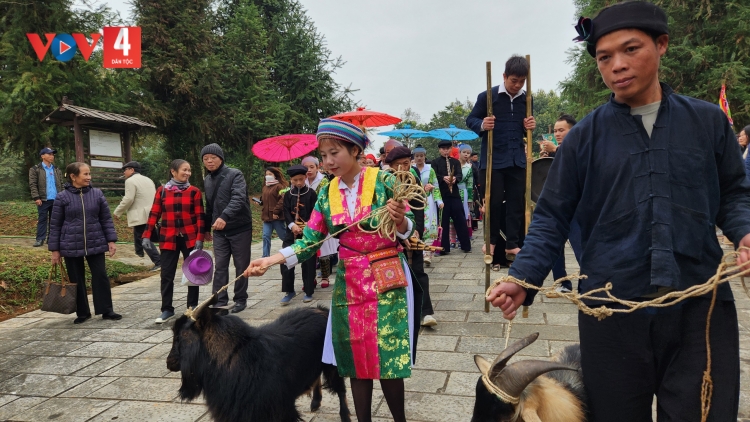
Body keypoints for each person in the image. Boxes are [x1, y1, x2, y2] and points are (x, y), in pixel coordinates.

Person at [487, 3, 750, 420]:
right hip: (610, 312)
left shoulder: (707, 123)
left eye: (630, 50)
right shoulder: (583, 139)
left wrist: (745, 232)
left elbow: (735, 193)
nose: (617, 66)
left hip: (699, 309)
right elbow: (551, 216)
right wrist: (523, 276)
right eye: (604, 57)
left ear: (661, 45)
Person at [245, 118, 414, 422]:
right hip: (349, 280)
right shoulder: (326, 193)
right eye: (323, 156)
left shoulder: (385, 181)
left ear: (355, 149)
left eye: (334, 153)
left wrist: (400, 220)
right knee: (354, 358)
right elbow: (310, 241)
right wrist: (271, 260)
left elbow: (409, 230)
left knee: (387, 355)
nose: (328, 161)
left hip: (385, 276)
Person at [466, 55, 536, 263]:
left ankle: (513, 243)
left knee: (517, 202)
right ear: (504, 76)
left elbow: (524, 128)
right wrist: (483, 124)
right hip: (493, 160)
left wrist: (530, 125)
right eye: (514, 80)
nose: (517, 85)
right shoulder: (488, 97)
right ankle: (491, 241)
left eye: (522, 81)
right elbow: (471, 119)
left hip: (517, 160)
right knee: (494, 203)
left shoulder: (527, 99)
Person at [48, 162, 120, 324]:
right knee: (76, 278)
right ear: (73, 177)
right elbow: (55, 225)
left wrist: (111, 240)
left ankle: (106, 310)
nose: (89, 177)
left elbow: (106, 219)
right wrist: (55, 250)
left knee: (100, 275)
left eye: (89, 174)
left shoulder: (97, 194)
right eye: (85, 174)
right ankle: (83, 312)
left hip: (96, 242)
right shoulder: (62, 197)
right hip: (70, 245)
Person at [142, 159, 205, 323]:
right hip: (168, 238)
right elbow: (154, 213)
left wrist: (200, 238)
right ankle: (167, 309)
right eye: (184, 170)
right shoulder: (162, 191)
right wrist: (146, 235)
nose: (187, 173)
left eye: (189, 170)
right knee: (167, 274)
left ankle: (192, 309)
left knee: (192, 275)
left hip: (189, 238)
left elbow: (200, 216)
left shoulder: (194, 191)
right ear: (173, 171)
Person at [385, 146, 437, 327]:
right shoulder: (383, 184)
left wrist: (415, 232)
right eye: (397, 165)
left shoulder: (413, 182)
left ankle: (426, 312)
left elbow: (419, 210)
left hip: (411, 234)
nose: (402, 169)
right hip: (390, 238)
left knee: (418, 272)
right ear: (390, 166)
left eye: (406, 164)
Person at [201, 143, 252, 315]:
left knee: (241, 265)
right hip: (220, 232)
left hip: (240, 228)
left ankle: (240, 299)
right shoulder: (207, 180)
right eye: (206, 159)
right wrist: (206, 228)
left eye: (213, 158)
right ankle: (219, 301)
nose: (209, 161)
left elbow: (239, 198)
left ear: (221, 158)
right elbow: (209, 206)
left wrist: (225, 216)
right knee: (220, 266)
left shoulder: (234, 174)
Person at [538, 114, 579, 292]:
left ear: (573, 130)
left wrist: (556, 150)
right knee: (555, 246)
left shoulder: (579, 146)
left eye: (561, 130)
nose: (557, 134)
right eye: (555, 131)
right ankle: (562, 282)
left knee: (581, 246)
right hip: (557, 208)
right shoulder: (557, 150)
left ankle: (593, 282)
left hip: (577, 208)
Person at [280, 165, 318, 304]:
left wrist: (309, 225)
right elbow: (285, 212)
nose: (298, 183)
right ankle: (289, 290)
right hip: (291, 233)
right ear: (290, 180)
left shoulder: (312, 194)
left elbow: (316, 212)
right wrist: (292, 225)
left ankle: (308, 291)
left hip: (308, 234)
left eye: (301, 179)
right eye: (295, 180)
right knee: (285, 260)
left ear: (306, 177)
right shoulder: (288, 195)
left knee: (308, 262)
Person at [113, 161, 161, 271]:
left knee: (144, 238)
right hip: (152, 212)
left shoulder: (130, 181)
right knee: (146, 235)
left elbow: (129, 199)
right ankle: (139, 252)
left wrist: (117, 212)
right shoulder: (148, 179)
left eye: (125, 170)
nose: (124, 172)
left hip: (141, 214)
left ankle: (158, 261)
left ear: (132, 170)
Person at [303, 156, 337, 288]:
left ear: (318, 167)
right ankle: (310, 278)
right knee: (309, 251)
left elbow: (322, 201)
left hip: (320, 217)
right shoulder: (300, 181)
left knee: (324, 250)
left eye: (312, 167)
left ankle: (325, 277)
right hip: (305, 219)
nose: (309, 170)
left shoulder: (323, 182)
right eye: (306, 168)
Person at [432, 140, 471, 254]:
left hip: (454, 195)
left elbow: (459, 174)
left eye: (448, 148)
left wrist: (455, 179)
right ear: (439, 150)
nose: (445, 150)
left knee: (460, 220)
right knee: (443, 222)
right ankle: (444, 248)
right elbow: (434, 176)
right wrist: (443, 178)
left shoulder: (455, 162)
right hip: (442, 196)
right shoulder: (435, 162)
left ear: (451, 149)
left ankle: (466, 246)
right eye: (443, 149)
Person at [413, 145, 442, 266]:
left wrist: (439, 200)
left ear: (425, 156)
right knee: (419, 226)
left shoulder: (430, 170)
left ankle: (428, 255)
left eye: (421, 156)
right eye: (417, 156)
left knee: (430, 226)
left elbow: (435, 185)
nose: (419, 158)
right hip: (415, 200)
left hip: (428, 201)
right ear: (414, 157)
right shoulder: (411, 169)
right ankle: (420, 253)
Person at [29, 147, 63, 247]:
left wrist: (62, 196)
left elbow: (61, 183)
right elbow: (33, 184)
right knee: (42, 219)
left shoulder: (56, 169)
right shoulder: (35, 169)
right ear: (42, 156)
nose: (52, 156)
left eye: (52, 154)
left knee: (55, 220)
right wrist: (36, 197)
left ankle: (52, 239)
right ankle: (40, 239)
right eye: (49, 154)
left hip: (56, 199)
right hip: (43, 199)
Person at [258, 167, 288, 258]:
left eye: (270, 174)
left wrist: (276, 212)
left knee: (284, 236)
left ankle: (291, 251)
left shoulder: (280, 186)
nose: (268, 176)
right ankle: (265, 257)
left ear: (275, 175)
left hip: (277, 217)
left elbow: (282, 200)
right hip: (266, 217)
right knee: (265, 236)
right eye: (266, 174)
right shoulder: (265, 187)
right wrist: (260, 202)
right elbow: (265, 199)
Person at [457, 144, 474, 241]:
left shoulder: (469, 167)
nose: (466, 154)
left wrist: (470, 197)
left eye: (468, 153)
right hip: (454, 191)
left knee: (464, 214)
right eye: (464, 152)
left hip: (464, 192)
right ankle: (453, 237)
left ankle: (464, 235)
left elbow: (470, 183)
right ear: (459, 153)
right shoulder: (453, 164)